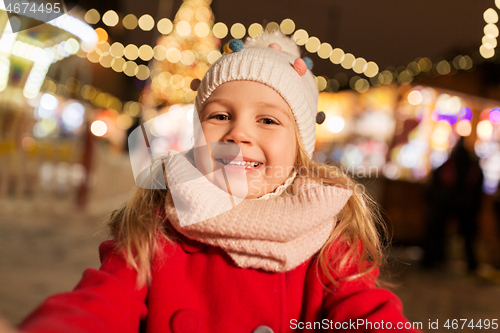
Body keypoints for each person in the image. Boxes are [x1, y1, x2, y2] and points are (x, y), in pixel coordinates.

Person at [14, 32, 421, 333]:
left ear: (300, 150)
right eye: (221, 116)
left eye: (267, 120)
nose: (238, 134)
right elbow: (100, 303)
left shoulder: (327, 237)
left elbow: (368, 314)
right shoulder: (158, 225)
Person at [422, 137, 484, 272]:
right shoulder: (472, 167)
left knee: (437, 232)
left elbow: (433, 186)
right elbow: (478, 193)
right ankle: (471, 264)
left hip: (446, 204)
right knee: (468, 237)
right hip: (464, 206)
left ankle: (432, 260)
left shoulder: (448, 165)